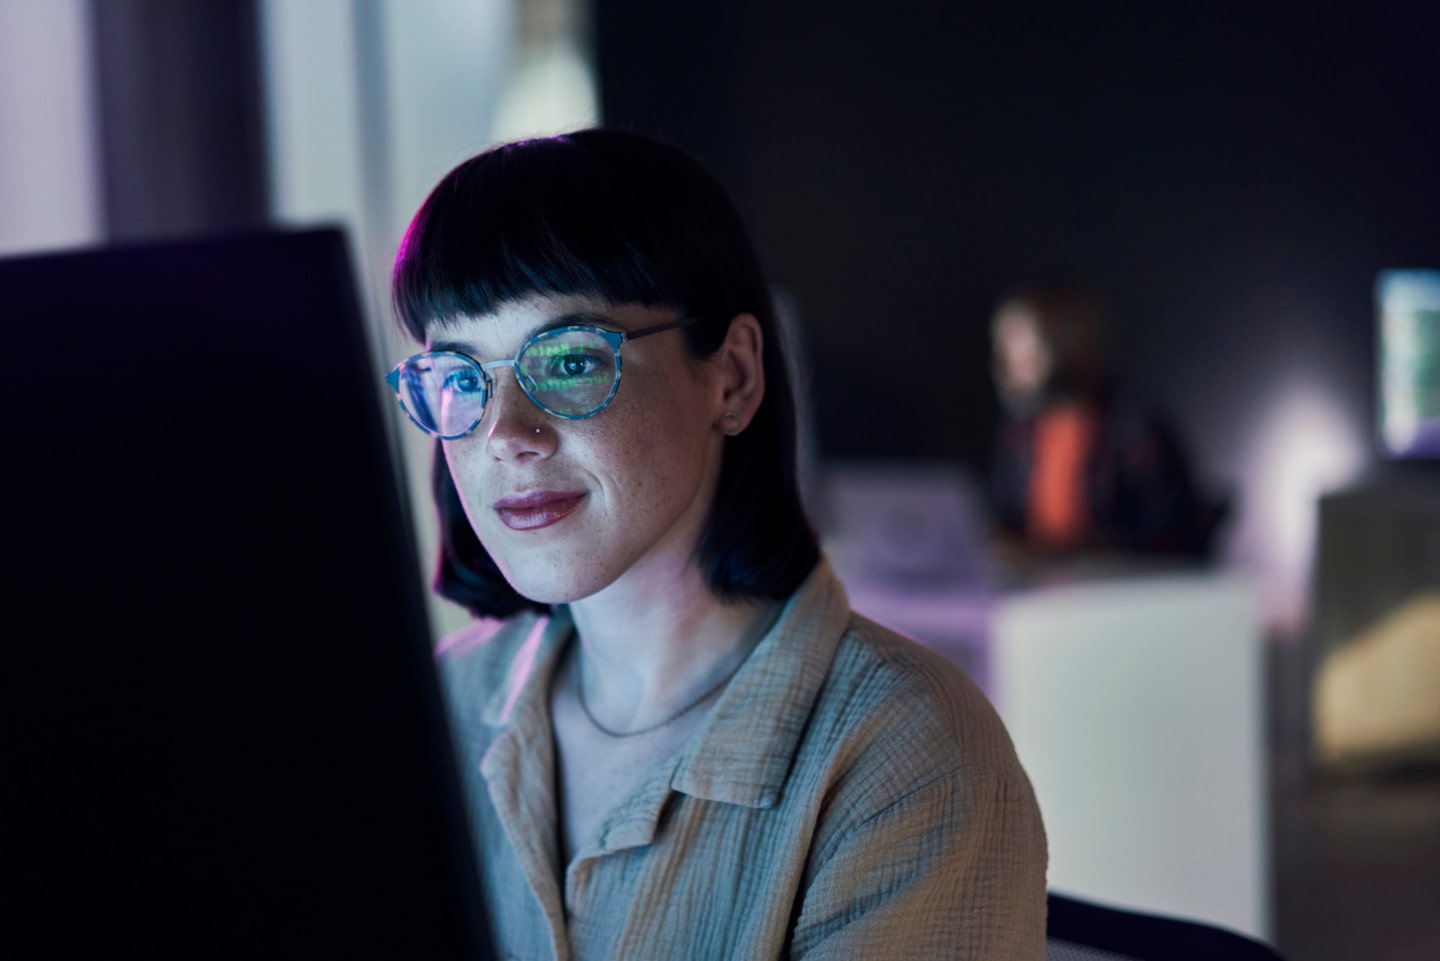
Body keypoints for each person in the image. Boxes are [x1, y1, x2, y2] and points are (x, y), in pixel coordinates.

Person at [385, 127, 1047, 960]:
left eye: (568, 360)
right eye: (458, 376)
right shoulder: (440, 708)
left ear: (731, 376)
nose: (505, 435)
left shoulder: (905, 757)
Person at [989, 281, 1226, 563]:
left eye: (1021, 341)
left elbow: (1170, 531)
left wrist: (1082, 550)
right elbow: (1004, 519)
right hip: (1043, 590)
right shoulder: (1021, 435)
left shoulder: (1133, 426)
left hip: (1121, 590)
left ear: (1065, 338)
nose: (1011, 360)